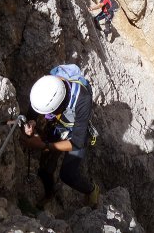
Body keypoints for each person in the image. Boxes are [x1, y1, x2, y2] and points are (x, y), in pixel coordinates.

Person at [20, 69, 99, 208]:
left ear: (61, 105)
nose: (45, 116)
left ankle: (91, 189)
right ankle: (49, 194)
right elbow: (34, 111)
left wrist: (44, 145)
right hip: (59, 126)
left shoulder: (82, 100)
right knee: (44, 167)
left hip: (76, 133)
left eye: (50, 113)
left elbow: (77, 142)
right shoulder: (48, 86)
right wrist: (31, 123)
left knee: (67, 175)